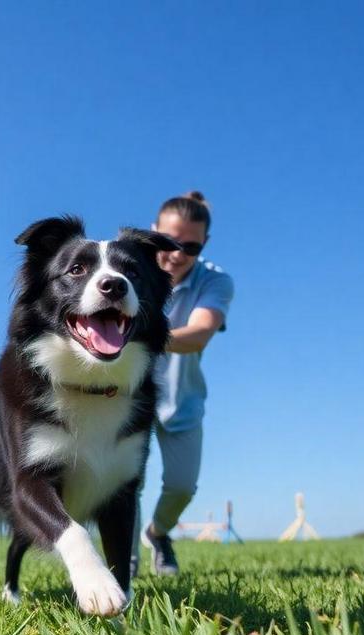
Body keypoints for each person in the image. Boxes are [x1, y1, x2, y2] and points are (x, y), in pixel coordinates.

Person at [136, 190, 234, 575]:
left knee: (181, 486)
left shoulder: (215, 281)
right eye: (170, 242)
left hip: (182, 398)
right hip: (129, 397)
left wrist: (138, 335)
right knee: (129, 486)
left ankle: (158, 533)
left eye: (190, 247)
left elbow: (198, 335)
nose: (177, 254)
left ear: (204, 245)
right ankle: (123, 570)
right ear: (154, 231)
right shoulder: (129, 266)